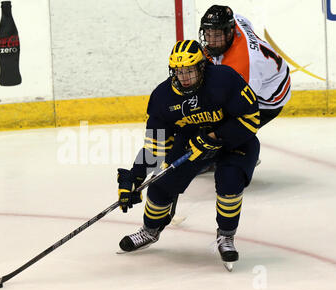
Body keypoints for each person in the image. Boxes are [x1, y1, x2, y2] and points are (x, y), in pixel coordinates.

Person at [116, 39, 260, 271]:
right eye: (179, 71)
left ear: (202, 67)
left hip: (234, 141)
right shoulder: (163, 97)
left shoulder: (224, 79)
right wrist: (134, 177)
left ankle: (225, 236)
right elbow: (155, 145)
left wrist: (214, 137)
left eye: (190, 70)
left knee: (230, 183)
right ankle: (150, 231)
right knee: (161, 186)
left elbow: (251, 118)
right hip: (191, 145)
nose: (184, 77)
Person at [199, 5, 291, 127]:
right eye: (208, 34)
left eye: (216, 35)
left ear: (230, 32)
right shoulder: (235, 21)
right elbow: (244, 21)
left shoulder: (245, 65)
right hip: (260, 69)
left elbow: (242, 105)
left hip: (269, 99)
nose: (211, 41)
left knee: (227, 131)